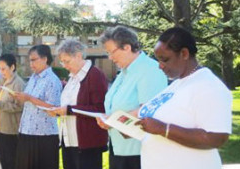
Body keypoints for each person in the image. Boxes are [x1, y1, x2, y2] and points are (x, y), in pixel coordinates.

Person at [136, 27, 232, 169]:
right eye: (158, 60)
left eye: (165, 59)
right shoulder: (177, 84)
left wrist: (164, 129)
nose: (160, 66)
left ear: (184, 53)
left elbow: (216, 138)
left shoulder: (209, 86)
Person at [96, 26, 167, 169]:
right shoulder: (124, 72)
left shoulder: (150, 69)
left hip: (139, 151)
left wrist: (113, 121)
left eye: (111, 52)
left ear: (127, 47)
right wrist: (108, 118)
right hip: (119, 148)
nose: (110, 57)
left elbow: (148, 109)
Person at [48, 40, 108, 169]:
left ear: (79, 56)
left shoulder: (95, 75)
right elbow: (69, 105)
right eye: (62, 62)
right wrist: (58, 111)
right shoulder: (72, 77)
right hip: (68, 141)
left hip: (87, 144)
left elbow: (99, 109)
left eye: (67, 61)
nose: (64, 65)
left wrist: (68, 110)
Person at [13, 44, 62, 169]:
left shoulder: (52, 80)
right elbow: (29, 100)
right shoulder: (33, 78)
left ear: (45, 59)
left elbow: (53, 108)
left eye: (34, 60)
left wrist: (29, 98)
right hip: (26, 131)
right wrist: (21, 98)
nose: (31, 64)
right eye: (30, 60)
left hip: (44, 135)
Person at [0, 54, 25, 169]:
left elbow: (19, 106)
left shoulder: (18, 83)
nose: (1, 72)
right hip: (1, 126)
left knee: (11, 160)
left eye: (4, 69)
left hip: (11, 128)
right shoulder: (3, 81)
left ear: (12, 67)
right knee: (4, 159)